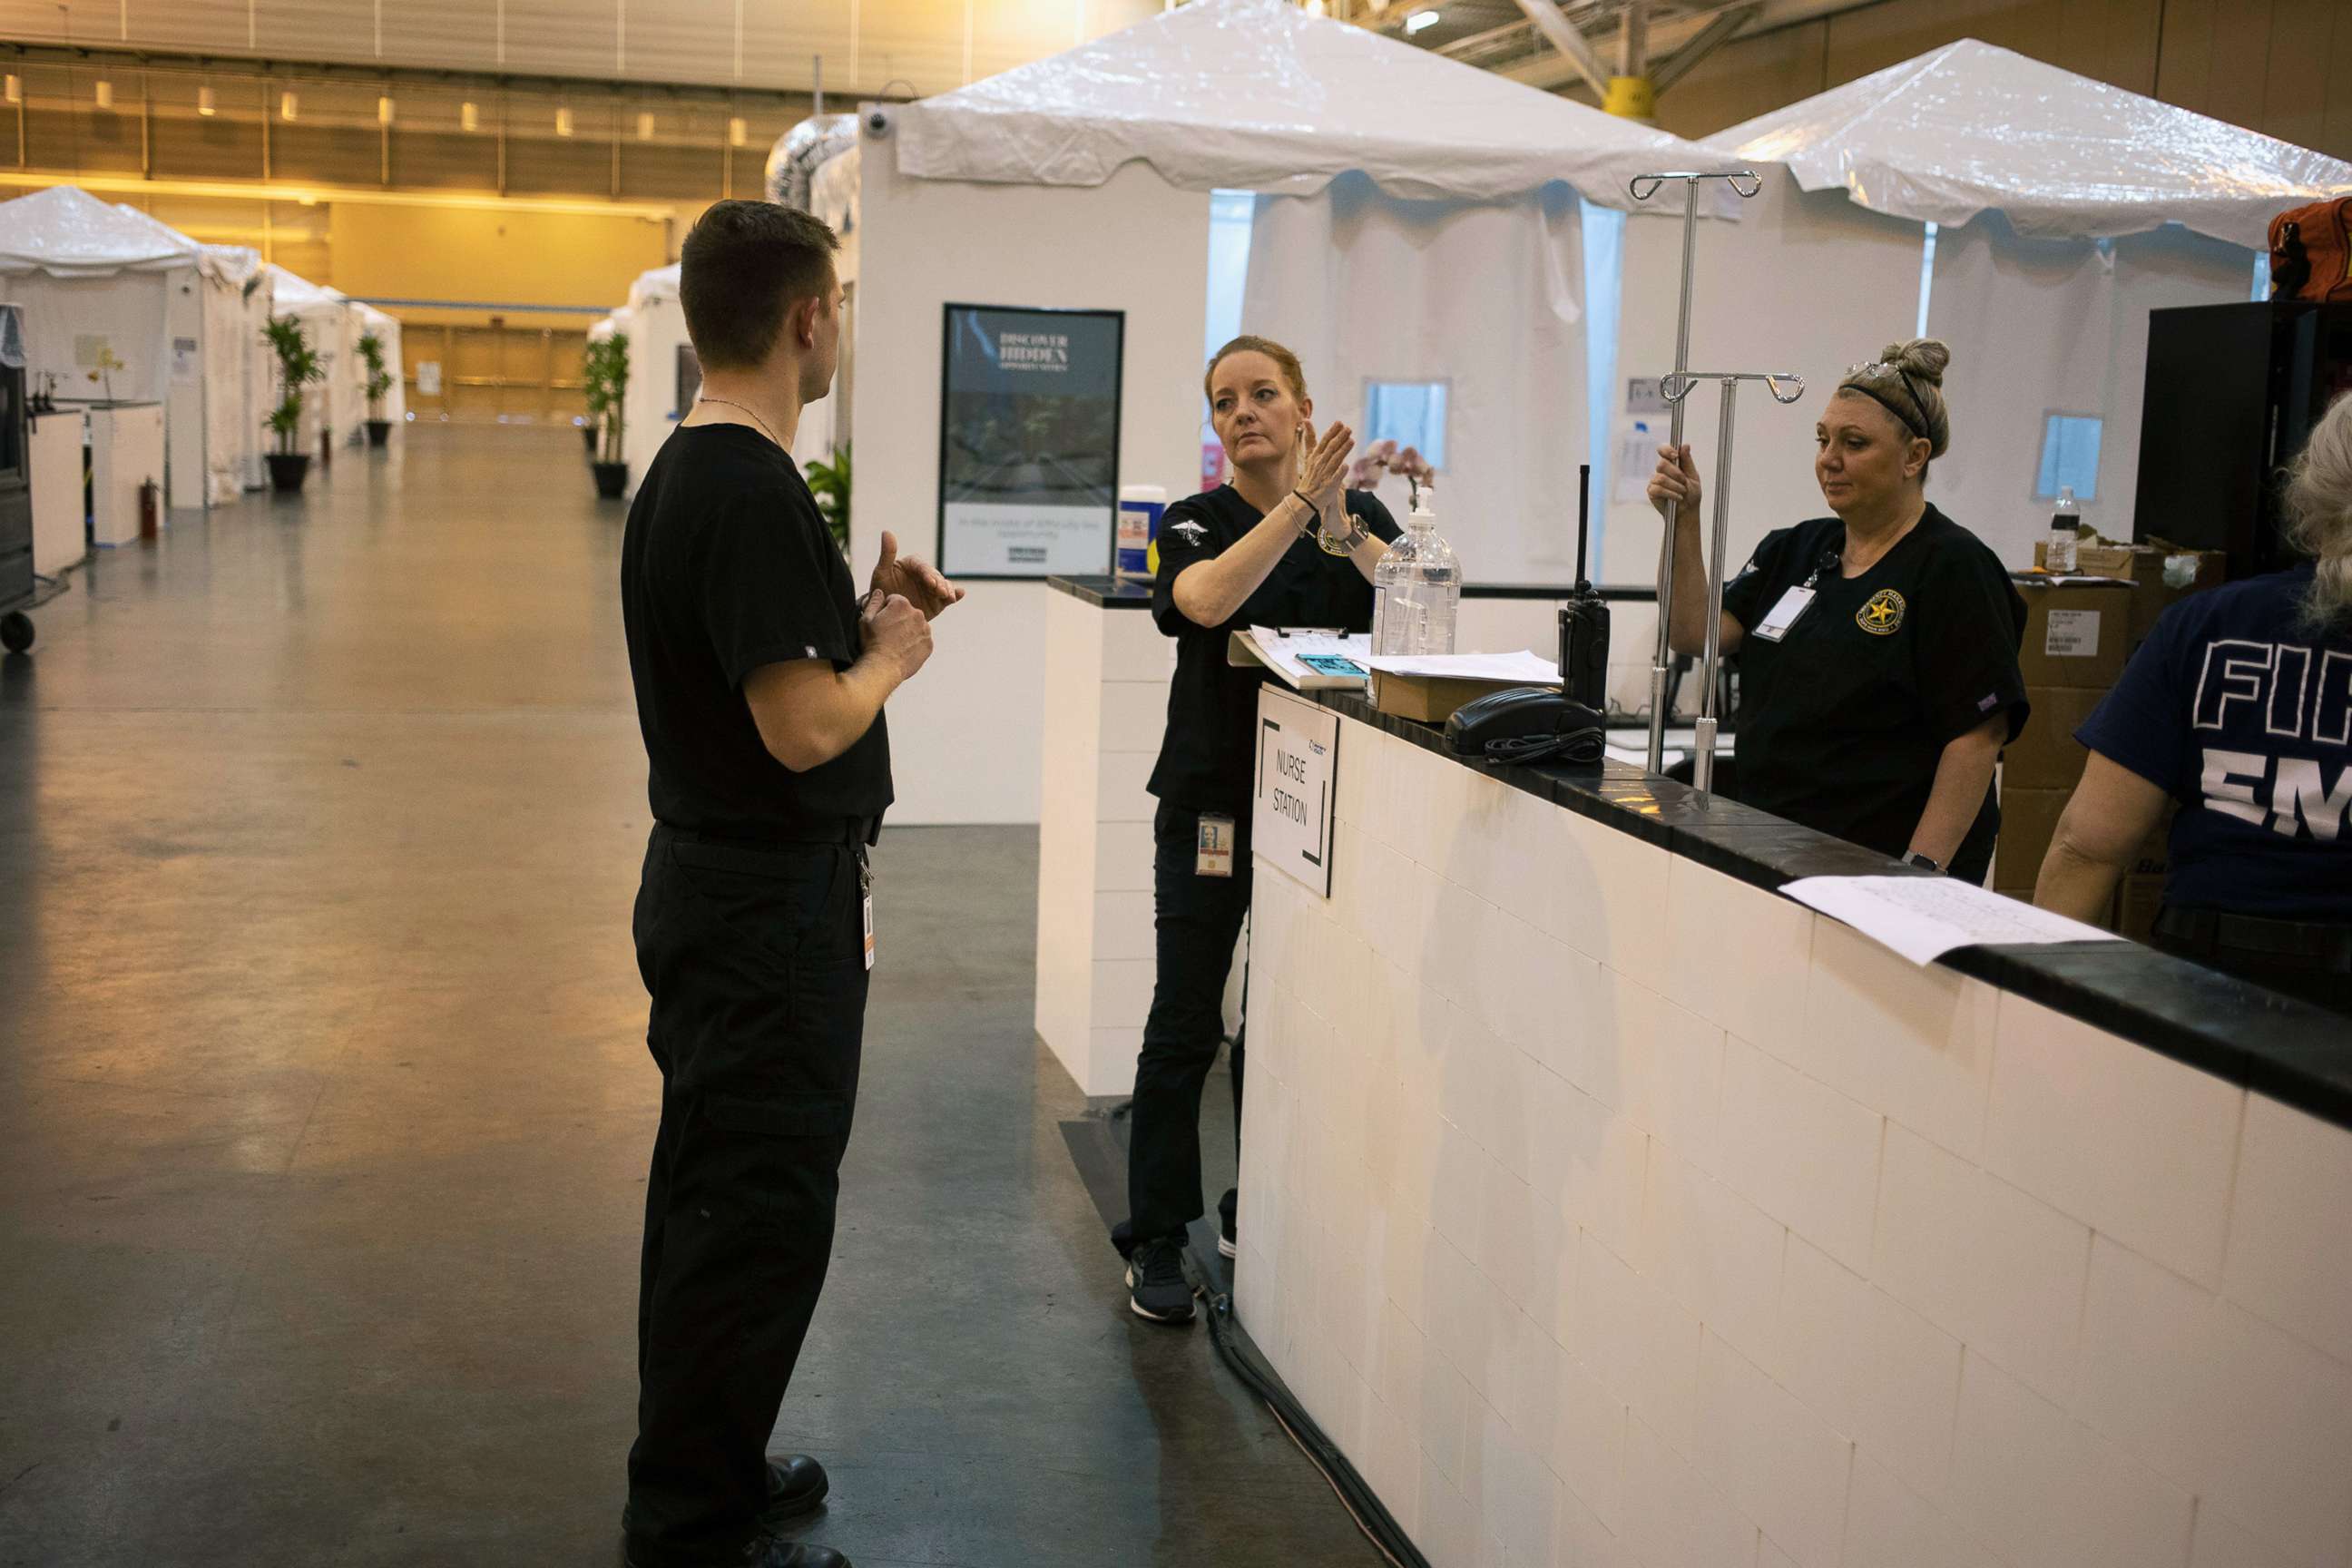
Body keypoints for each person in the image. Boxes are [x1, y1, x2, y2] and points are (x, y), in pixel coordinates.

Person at [618, 200, 963, 1568]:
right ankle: (693, 1520)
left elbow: (773, 673)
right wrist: (889, 662)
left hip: (739, 894)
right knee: (752, 1214)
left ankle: (705, 1466)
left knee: (725, 1199)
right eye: (844, 308)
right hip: (765, 910)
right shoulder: (745, 487)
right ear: (808, 316)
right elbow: (805, 726)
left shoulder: (705, 472)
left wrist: (864, 616)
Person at [1121, 335, 1399, 1325]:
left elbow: (1419, 605)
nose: (1245, 412)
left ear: (1304, 408)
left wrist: (1339, 522)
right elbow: (1201, 602)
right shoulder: (1198, 521)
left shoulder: (1357, 515)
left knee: (1286, 1021)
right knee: (1188, 1016)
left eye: (1265, 394)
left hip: (1320, 810)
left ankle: (1259, 1202)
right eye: (1226, 400)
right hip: (1212, 804)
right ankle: (1157, 1233)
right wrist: (1292, 513)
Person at [1646, 338, 2028, 885]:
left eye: (1854, 443)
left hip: (1877, 863)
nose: (1829, 459)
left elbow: (1975, 739)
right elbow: (1692, 633)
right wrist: (1683, 522)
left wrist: (1918, 875)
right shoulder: (1796, 549)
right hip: (1773, 842)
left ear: (1914, 456)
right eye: (1823, 439)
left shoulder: (1953, 567)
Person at [2034, 389, 2352, 1012]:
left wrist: (2036, 1008)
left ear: (2312, 486)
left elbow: (2088, 847)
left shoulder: (2207, 625)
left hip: (2207, 989)